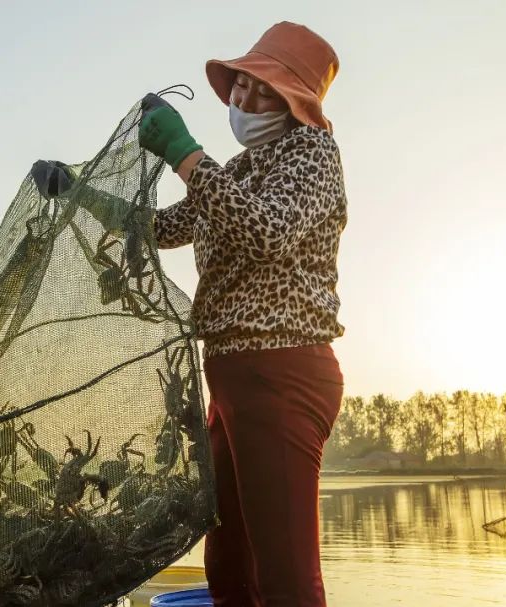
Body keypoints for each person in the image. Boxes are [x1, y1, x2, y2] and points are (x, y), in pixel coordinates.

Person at [36, 21, 347, 607]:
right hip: (230, 378)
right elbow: (159, 228)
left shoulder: (314, 154)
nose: (245, 100)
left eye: (265, 91)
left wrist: (184, 153)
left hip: (283, 372)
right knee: (227, 561)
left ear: (295, 104)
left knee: (284, 572)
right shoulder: (235, 173)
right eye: (241, 86)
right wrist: (79, 191)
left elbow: (268, 230)